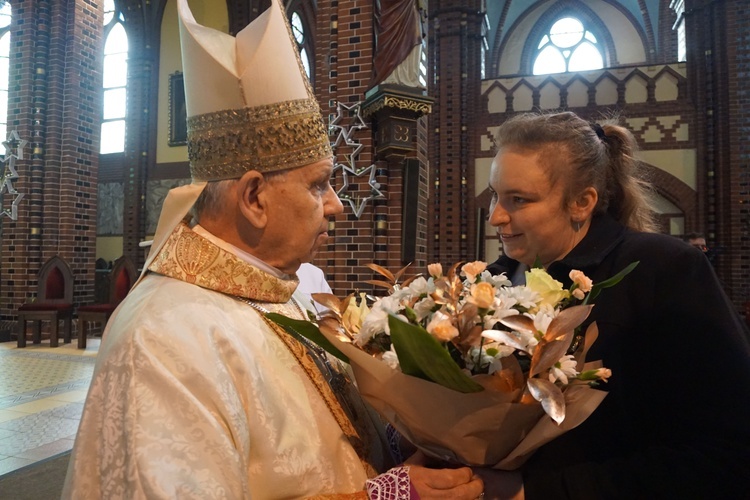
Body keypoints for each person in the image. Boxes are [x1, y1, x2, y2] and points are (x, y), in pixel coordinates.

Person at [61, 0, 483, 498]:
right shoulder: (161, 340)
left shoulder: (284, 293)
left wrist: (410, 444)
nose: (336, 207)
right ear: (255, 198)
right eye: (319, 185)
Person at [480, 111, 750, 498]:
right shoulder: (490, 284)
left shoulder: (661, 270)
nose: (495, 217)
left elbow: (728, 452)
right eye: (494, 194)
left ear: (582, 202)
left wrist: (534, 491)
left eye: (518, 199)